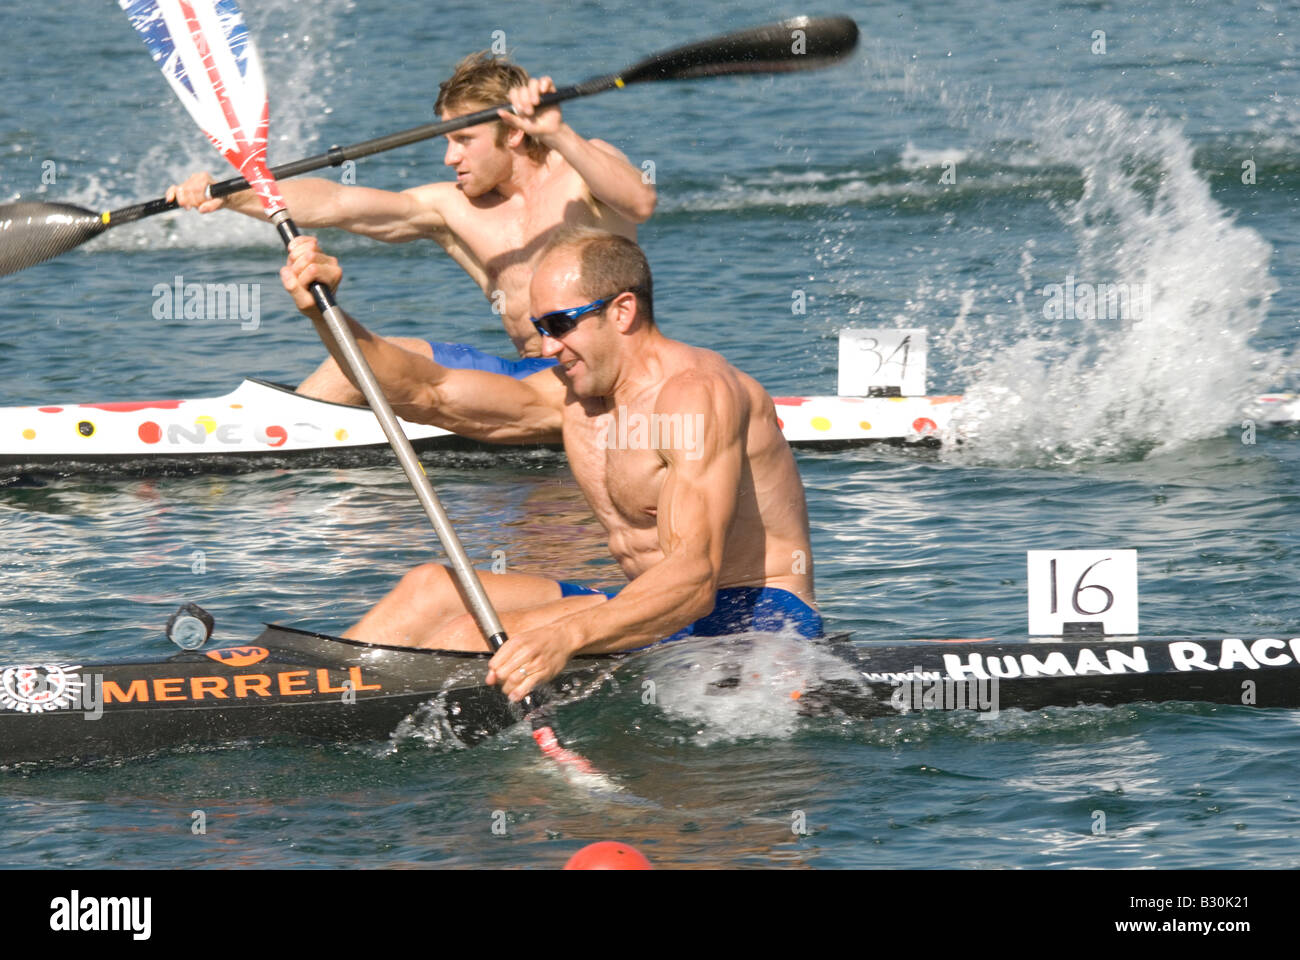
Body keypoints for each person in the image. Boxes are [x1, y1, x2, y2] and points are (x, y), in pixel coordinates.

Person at [279, 227, 820, 702]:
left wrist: (565, 637)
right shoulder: (573, 397)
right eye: (539, 326)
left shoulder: (695, 395)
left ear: (623, 311)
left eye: (560, 325)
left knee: (466, 641)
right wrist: (324, 312)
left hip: (752, 618)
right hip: (646, 605)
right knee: (430, 588)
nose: (544, 347)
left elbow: (694, 579)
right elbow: (429, 388)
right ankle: (295, 692)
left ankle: (353, 708)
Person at [168, 52, 656, 402]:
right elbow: (341, 203)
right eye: (447, 140)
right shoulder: (453, 207)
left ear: (513, 132)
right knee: (361, 363)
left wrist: (560, 132)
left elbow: (639, 201)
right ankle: (271, 439)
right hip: (523, 375)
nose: (450, 158)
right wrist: (231, 194)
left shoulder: (582, 170)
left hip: (598, 382)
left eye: (465, 140)